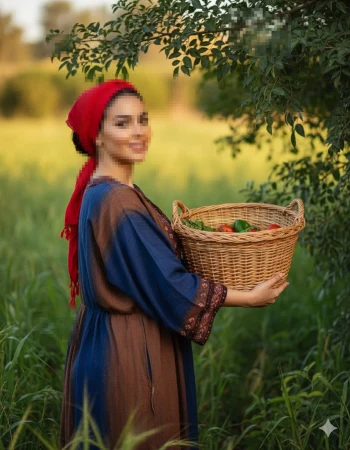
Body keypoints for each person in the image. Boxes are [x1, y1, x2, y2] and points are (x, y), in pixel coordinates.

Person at [59, 79, 289, 450]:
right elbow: (168, 283)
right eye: (122, 123)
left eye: (143, 119)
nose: (139, 131)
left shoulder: (113, 190)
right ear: (97, 136)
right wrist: (248, 296)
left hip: (110, 341)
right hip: (129, 354)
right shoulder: (115, 201)